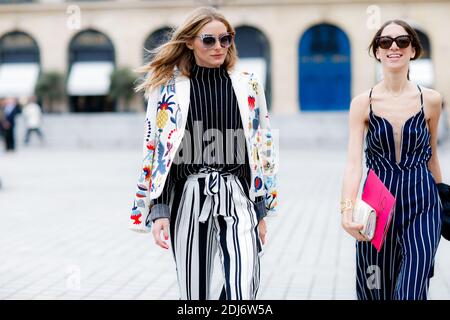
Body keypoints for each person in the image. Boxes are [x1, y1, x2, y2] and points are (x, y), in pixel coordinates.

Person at [129, 6, 278, 300]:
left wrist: (261, 209)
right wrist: (158, 210)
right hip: (189, 197)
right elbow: (157, 151)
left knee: (244, 284)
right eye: (209, 40)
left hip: (238, 195)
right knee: (194, 291)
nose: (219, 46)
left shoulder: (247, 82)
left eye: (226, 39)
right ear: (190, 41)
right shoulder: (168, 88)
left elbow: (260, 146)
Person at [340, 19, 443, 300]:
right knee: (376, 289)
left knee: (410, 289)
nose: (394, 47)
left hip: (422, 202)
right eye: (385, 42)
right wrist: (346, 211)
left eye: (402, 41)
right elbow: (353, 164)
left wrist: (443, 200)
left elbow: (432, 156)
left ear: (413, 50)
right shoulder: (363, 103)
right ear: (377, 51)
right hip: (376, 206)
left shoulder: (431, 100)